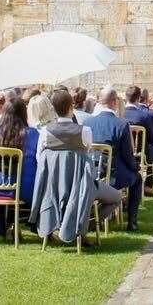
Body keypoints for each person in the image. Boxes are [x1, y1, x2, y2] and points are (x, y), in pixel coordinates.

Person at [33, 87, 110, 243]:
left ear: (53, 108)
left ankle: (66, 227)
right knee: (116, 197)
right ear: (71, 107)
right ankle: (82, 225)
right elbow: (86, 155)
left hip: (53, 186)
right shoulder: (85, 131)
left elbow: (39, 159)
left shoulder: (45, 132)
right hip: (80, 187)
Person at [84, 86, 142, 231]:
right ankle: (132, 221)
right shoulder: (121, 124)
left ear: (99, 101)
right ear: (115, 102)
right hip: (114, 176)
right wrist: (136, 167)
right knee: (138, 179)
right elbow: (128, 156)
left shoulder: (87, 123)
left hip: (91, 174)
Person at [0, 93, 40, 225]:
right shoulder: (33, 134)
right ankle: (35, 224)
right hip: (26, 188)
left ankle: (1, 226)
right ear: (24, 113)